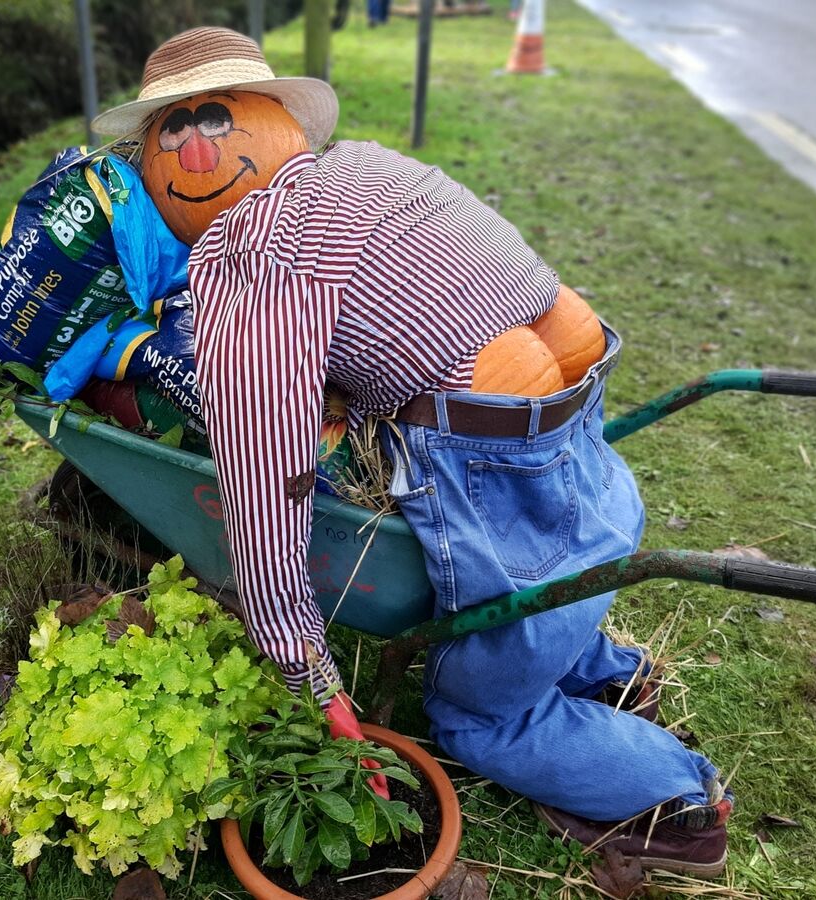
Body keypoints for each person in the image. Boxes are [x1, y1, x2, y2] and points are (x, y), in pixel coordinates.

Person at [91, 26, 733, 876]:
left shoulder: (251, 251)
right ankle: (610, 677)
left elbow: (263, 469)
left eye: (211, 122)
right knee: (553, 563)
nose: (198, 149)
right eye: (175, 134)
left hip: (487, 440)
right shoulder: (371, 167)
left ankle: (679, 804)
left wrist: (298, 655)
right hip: (567, 371)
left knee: (473, 714)